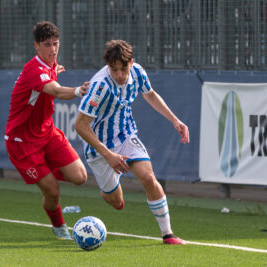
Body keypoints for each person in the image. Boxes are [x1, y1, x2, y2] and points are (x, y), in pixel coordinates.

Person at [75, 40, 190, 245]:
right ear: (108, 66)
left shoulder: (137, 72)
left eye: (123, 68)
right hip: (99, 147)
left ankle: (168, 234)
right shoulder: (99, 86)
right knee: (115, 200)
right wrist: (109, 155)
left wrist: (175, 120)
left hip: (126, 135)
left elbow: (151, 95)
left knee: (147, 177)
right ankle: (109, 192)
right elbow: (81, 126)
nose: (119, 74)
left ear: (131, 62)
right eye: (114, 69)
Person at [4, 21, 89, 240]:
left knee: (80, 177)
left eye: (55, 44)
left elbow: (50, 77)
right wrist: (79, 91)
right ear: (36, 46)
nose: (52, 49)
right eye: (47, 45)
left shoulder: (51, 63)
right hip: (22, 141)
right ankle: (59, 226)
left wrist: (55, 71)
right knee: (52, 190)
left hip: (47, 132)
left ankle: (47, 173)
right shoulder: (34, 69)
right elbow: (57, 92)